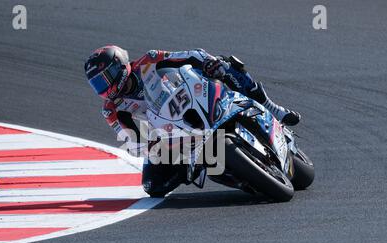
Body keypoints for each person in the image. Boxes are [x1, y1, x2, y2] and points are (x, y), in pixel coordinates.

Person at [84, 45, 301, 197]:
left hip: (192, 97)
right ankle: (232, 173)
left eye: (105, 79)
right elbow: (130, 139)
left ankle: (273, 108)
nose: (105, 88)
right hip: (170, 135)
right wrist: (149, 146)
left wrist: (209, 63)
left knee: (227, 67)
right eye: (97, 85)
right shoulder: (112, 109)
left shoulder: (149, 61)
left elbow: (189, 56)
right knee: (153, 186)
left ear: (119, 65)